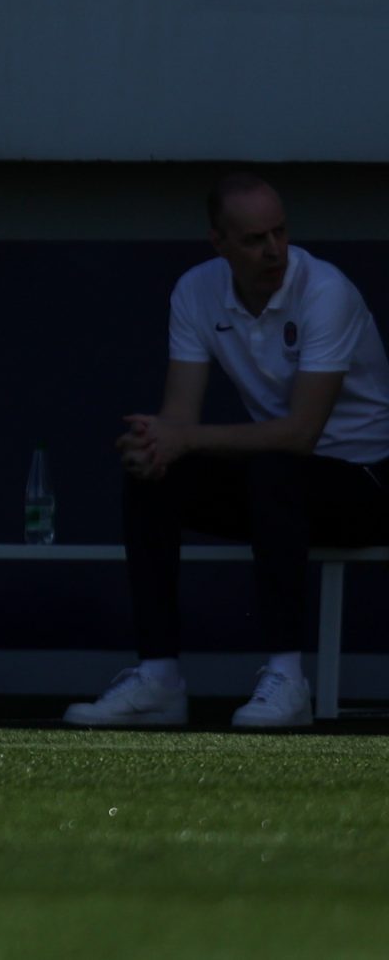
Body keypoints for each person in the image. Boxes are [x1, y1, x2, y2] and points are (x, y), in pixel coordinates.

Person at [66, 176, 389, 732]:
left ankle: (288, 680)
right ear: (219, 243)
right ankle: (159, 678)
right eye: (255, 239)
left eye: (281, 232)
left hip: (367, 482)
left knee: (274, 470)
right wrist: (156, 446)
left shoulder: (326, 291)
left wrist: (183, 438)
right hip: (283, 481)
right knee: (153, 476)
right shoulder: (196, 291)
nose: (273, 250)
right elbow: (179, 421)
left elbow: (301, 434)